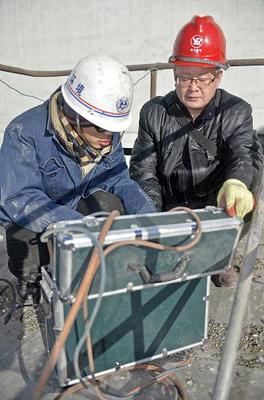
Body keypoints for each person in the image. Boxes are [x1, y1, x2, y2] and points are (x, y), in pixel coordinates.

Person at [0, 54, 156, 300]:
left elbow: (118, 180)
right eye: (101, 127)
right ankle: (29, 281)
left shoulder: (106, 133)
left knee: (110, 203)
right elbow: (19, 199)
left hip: (77, 217)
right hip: (40, 220)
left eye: (115, 128)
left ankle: (88, 273)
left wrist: (150, 217)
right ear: (73, 115)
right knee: (24, 235)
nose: (110, 136)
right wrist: (80, 226)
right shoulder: (24, 133)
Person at [129, 16, 263, 287]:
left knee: (254, 173)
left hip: (216, 204)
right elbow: (143, 172)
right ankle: (165, 250)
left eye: (202, 78)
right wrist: (156, 219)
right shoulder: (154, 112)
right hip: (169, 203)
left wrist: (236, 183)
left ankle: (220, 256)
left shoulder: (236, 111)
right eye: (184, 78)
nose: (193, 87)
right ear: (174, 74)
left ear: (218, 76)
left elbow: (243, 154)